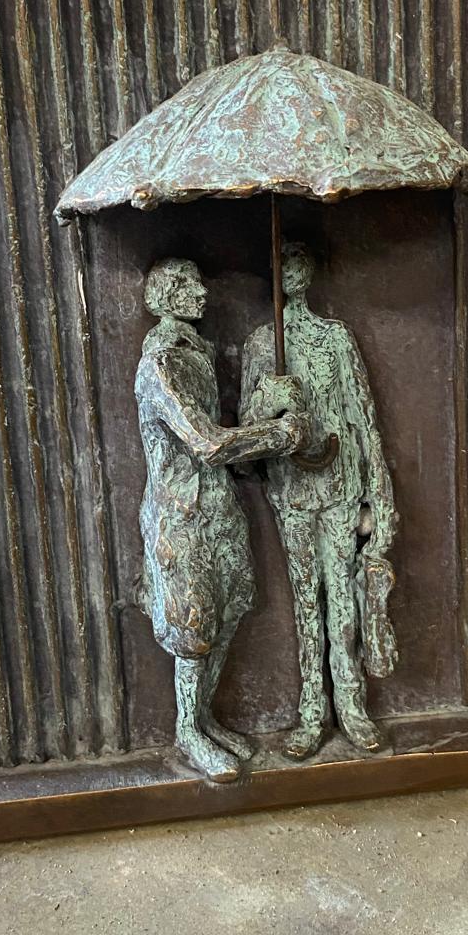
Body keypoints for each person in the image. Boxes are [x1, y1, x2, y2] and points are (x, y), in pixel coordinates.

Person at [135, 258, 306, 781]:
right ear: (164, 298)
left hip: (218, 506)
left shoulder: (197, 355)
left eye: (200, 280)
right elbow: (207, 443)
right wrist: (279, 434)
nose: (202, 291)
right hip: (181, 513)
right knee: (194, 626)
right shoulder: (162, 362)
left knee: (228, 611)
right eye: (188, 284)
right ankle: (187, 731)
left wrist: (267, 407)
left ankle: (203, 717)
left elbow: (223, 431)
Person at [242, 243, 399, 759]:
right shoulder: (262, 343)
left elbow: (364, 418)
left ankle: (351, 704)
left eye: (298, 260)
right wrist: (267, 402)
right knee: (306, 602)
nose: (290, 270)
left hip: (340, 485)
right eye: (281, 262)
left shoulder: (336, 337)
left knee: (343, 600)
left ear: (310, 271)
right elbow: (246, 435)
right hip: (293, 489)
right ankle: (312, 710)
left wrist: (380, 496)